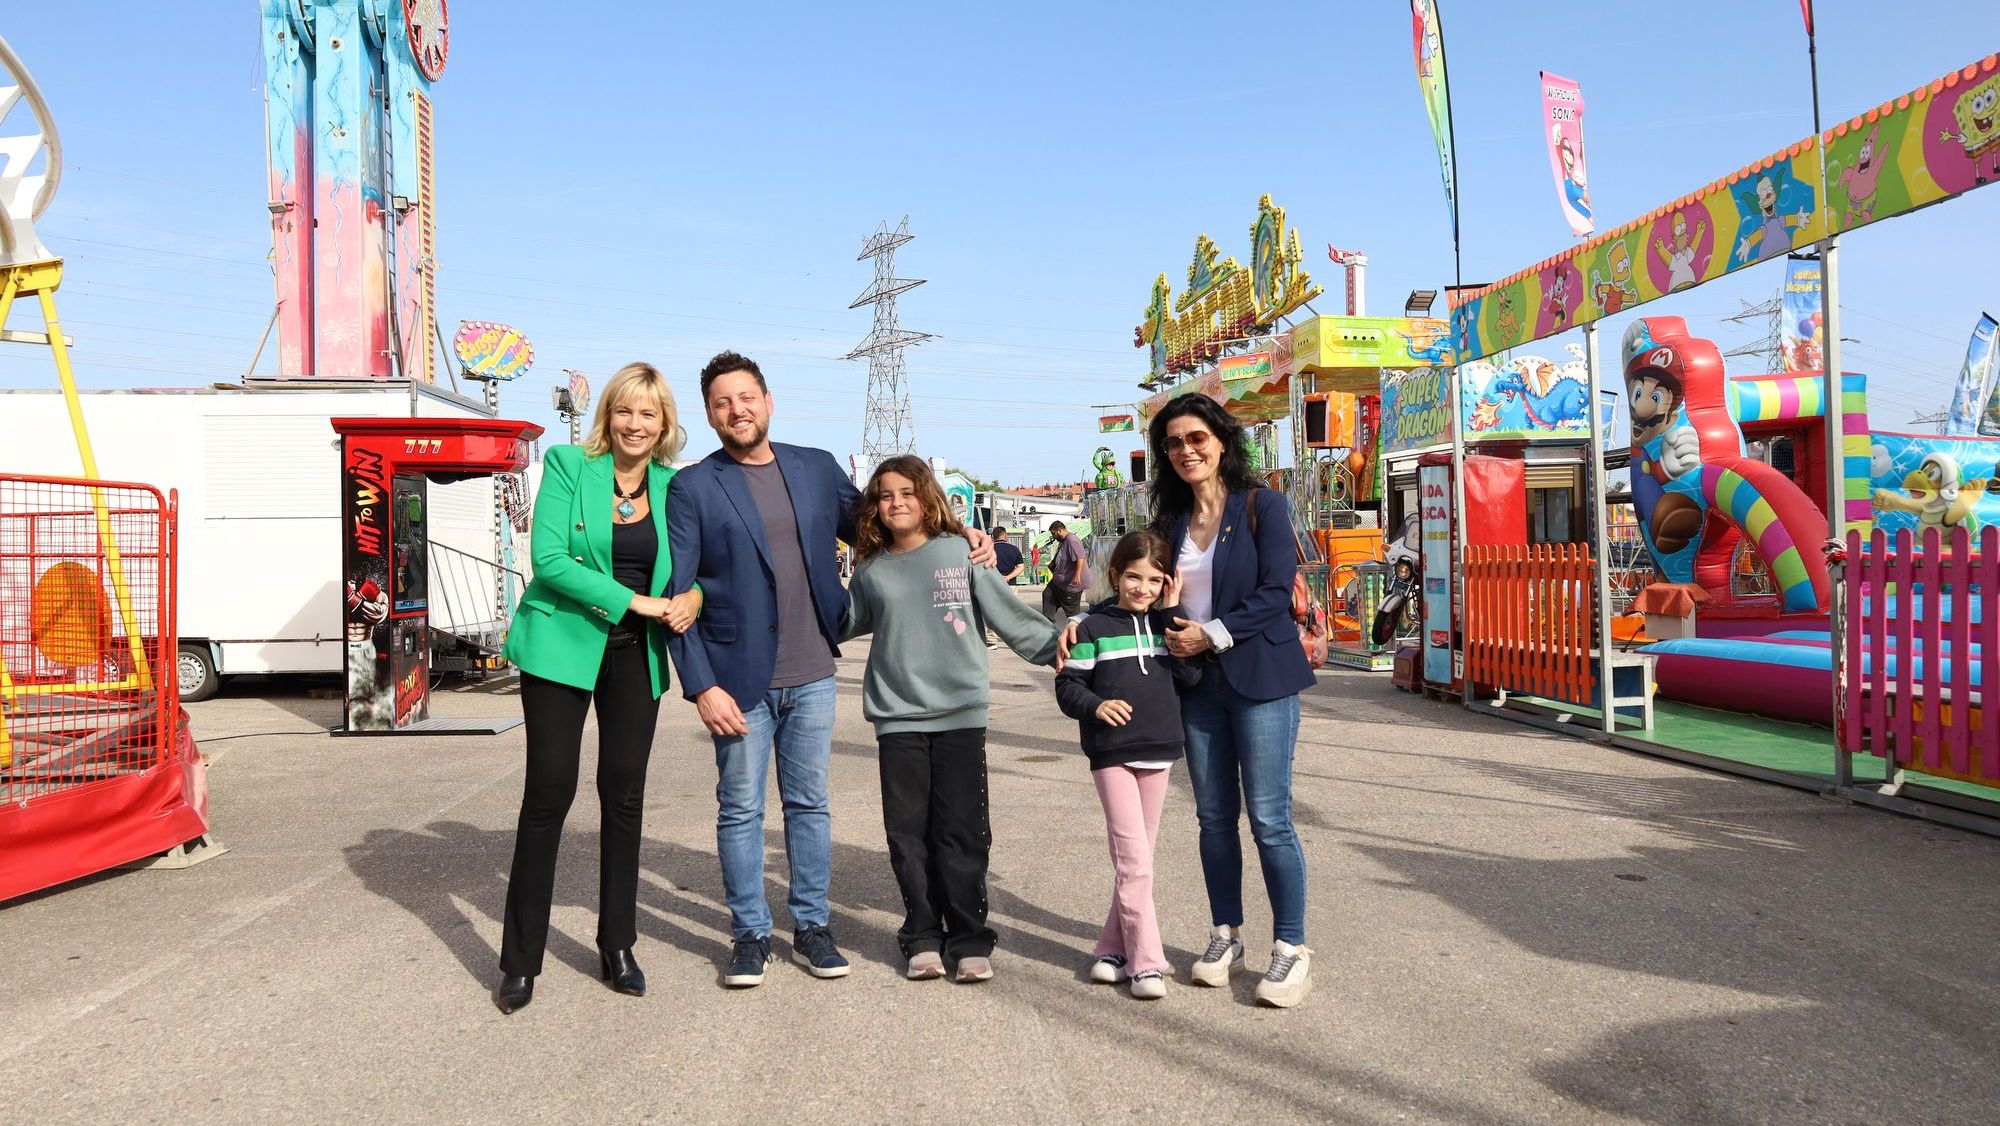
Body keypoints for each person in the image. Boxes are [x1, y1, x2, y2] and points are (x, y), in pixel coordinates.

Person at [665, 351, 994, 989]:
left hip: (813, 671)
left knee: (810, 805)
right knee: (739, 809)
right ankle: (749, 934)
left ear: (768, 400)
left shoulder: (813, 468)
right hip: (736, 681)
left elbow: (887, 527)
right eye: (722, 402)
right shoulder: (695, 486)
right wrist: (701, 684)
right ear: (709, 414)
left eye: (746, 397)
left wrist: (967, 538)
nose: (737, 410)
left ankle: (813, 926)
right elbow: (678, 593)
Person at [1063, 392, 1317, 1008]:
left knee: (1270, 818)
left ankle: (1290, 947)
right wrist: (1081, 622)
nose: (1186, 451)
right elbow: (1139, 588)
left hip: (1261, 679)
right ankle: (1225, 933)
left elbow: (1274, 590)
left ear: (1222, 441)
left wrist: (1213, 633)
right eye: (1173, 442)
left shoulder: (1264, 506)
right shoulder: (1174, 524)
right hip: (1197, 686)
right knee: (1211, 817)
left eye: (1196, 438)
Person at [494, 362, 704, 1015]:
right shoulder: (566, 465)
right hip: (561, 647)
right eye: (625, 411)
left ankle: (618, 945)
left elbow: (704, 566)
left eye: (649, 413)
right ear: (606, 416)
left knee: (625, 795)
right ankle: (520, 961)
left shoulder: (677, 487)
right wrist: (635, 602)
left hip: (634, 661)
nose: (636, 424)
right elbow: (548, 560)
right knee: (549, 793)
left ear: (664, 424)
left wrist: (692, 594)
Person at [840, 456, 1058, 983]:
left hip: (960, 714)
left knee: (962, 831)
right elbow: (842, 623)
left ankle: (968, 938)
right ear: (874, 505)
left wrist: (1065, 649)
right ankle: (921, 935)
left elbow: (1011, 617)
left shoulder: (962, 552)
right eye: (885, 494)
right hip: (897, 718)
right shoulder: (870, 568)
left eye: (907, 492)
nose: (896, 502)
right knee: (908, 833)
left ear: (927, 496)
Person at [1054, 530, 1199, 1000]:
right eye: (1133, 577)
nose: (1143, 588)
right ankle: (1147, 963)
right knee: (1134, 859)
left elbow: (1191, 675)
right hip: (1111, 755)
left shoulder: (1169, 625)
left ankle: (1111, 948)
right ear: (1115, 576)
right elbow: (1067, 687)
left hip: (1160, 753)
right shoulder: (1090, 629)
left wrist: (1173, 613)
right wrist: (1095, 706)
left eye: (1154, 580)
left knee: (1137, 860)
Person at [984, 526, 1027, 649]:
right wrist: (1008, 577)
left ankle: (991, 641)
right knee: (1011, 612)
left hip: (992, 585)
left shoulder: (988, 550)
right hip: (1011, 585)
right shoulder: (1014, 550)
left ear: (992, 537)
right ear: (1006, 536)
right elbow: (1020, 567)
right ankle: (1014, 639)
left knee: (994, 612)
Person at [1041, 520, 1088, 625]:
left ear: (1060, 530)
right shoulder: (1064, 541)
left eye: (1054, 533)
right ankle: (1047, 624)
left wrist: (1077, 575)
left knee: (1072, 616)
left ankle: (1076, 635)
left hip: (1070, 586)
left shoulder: (1072, 540)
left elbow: (1080, 558)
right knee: (1048, 594)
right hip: (1058, 583)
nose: (1053, 536)